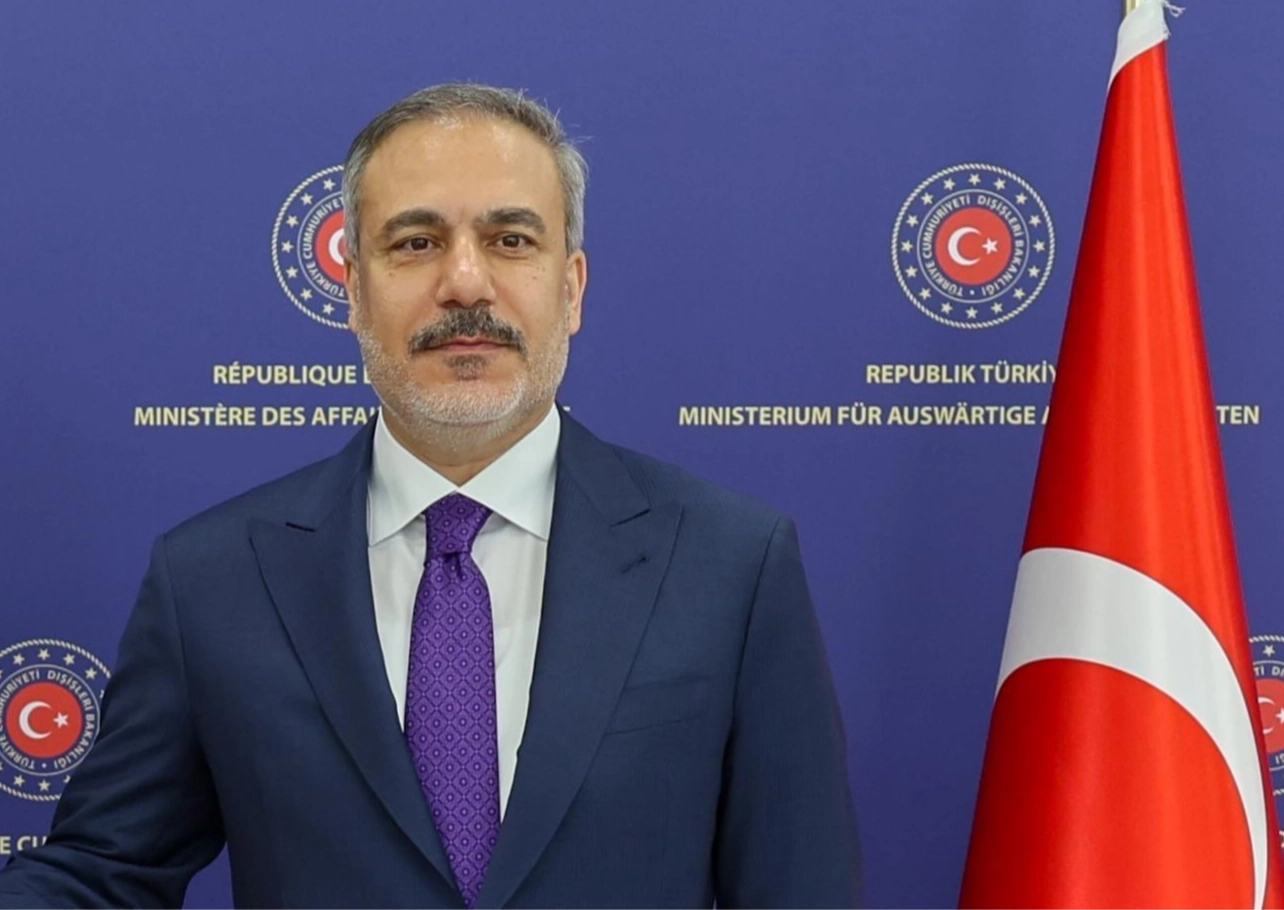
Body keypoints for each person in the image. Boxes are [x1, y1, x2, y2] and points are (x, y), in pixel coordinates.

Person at [0, 83, 862, 910]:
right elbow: (100, 876)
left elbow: (799, 889)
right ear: (352, 292)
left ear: (571, 289)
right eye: (415, 243)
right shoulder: (211, 580)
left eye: (511, 240)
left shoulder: (730, 565)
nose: (466, 284)